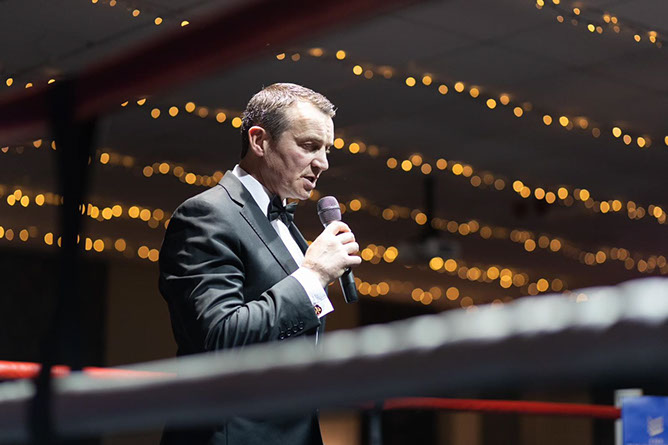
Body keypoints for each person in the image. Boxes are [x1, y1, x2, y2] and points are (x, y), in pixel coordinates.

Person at [159, 83, 361, 445]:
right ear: (259, 141)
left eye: (326, 149)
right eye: (309, 145)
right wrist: (314, 276)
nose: (323, 162)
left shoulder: (287, 224)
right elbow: (219, 337)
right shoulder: (205, 214)